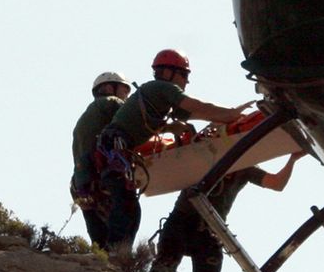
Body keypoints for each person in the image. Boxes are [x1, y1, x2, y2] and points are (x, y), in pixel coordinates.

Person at [96, 48, 247, 253]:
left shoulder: (160, 95)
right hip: (116, 145)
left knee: (130, 208)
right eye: (184, 75)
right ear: (168, 73)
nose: (186, 81)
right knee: (124, 205)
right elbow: (198, 105)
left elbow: (196, 113)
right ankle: (112, 254)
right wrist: (231, 114)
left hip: (115, 146)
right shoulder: (162, 88)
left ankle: (118, 254)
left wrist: (227, 118)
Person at [148, 151, 302, 272]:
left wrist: (292, 159)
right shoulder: (204, 154)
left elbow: (277, 184)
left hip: (210, 231)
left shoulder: (245, 168)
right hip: (181, 222)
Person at [70, 71, 130, 248]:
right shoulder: (111, 103)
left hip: (80, 185)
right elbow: (136, 122)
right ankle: (119, 260)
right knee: (129, 214)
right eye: (124, 91)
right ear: (110, 88)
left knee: (99, 236)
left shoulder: (87, 116)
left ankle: (101, 260)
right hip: (102, 180)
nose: (127, 96)